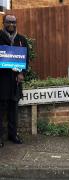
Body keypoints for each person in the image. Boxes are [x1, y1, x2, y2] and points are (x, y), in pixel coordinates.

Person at [0, 14, 29, 147]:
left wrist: (22, 73)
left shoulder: (21, 39)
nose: (11, 24)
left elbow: (26, 59)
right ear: (3, 23)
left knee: (14, 110)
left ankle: (13, 135)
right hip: (2, 80)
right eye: (8, 22)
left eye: (13, 22)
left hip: (16, 82)